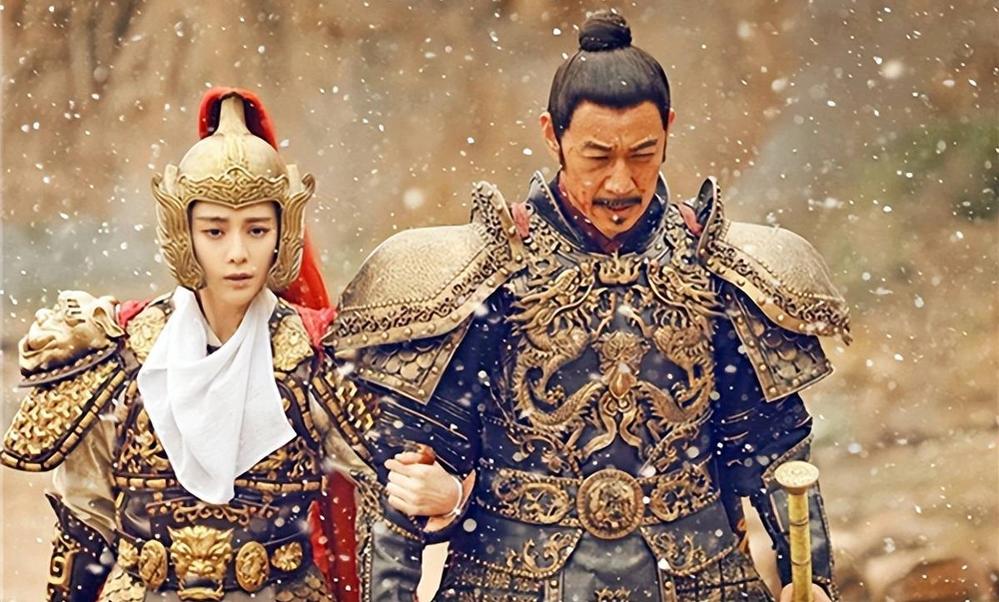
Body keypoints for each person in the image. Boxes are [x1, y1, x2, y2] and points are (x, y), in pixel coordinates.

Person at [327, 10, 848, 602]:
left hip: (701, 580)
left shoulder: (716, 267)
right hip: (511, 582)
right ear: (552, 136)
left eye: (643, 154)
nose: (621, 184)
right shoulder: (489, 275)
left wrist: (812, 579)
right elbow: (404, 475)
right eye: (597, 157)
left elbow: (773, 451)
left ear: (669, 130)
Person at [0, 88, 459, 601]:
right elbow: (87, 522)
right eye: (215, 231)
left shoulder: (317, 359)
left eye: (256, 230)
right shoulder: (120, 355)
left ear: (283, 233)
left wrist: (443, 497)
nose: (238, 253)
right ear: (184, 233)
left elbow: (386, 494)